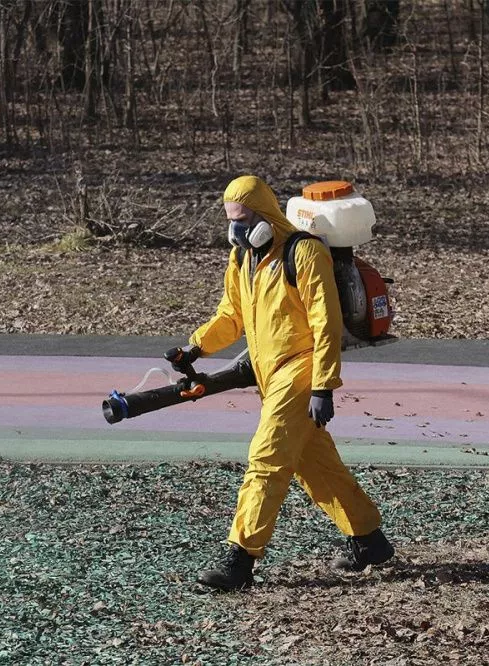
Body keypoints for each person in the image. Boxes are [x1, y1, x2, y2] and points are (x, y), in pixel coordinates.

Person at [180, 175, 394, 591]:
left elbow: (326, 322)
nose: (236, 228)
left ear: (265, 214)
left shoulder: (304, 252)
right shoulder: (242, 258)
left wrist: (323, 385)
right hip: (270, 374)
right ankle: (369, 540)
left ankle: (240, 560)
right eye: (231, 220)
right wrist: (195, 347)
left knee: (266, 460)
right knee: (315, 465)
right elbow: (231, 316)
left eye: (243, 219)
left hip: (301, 369)